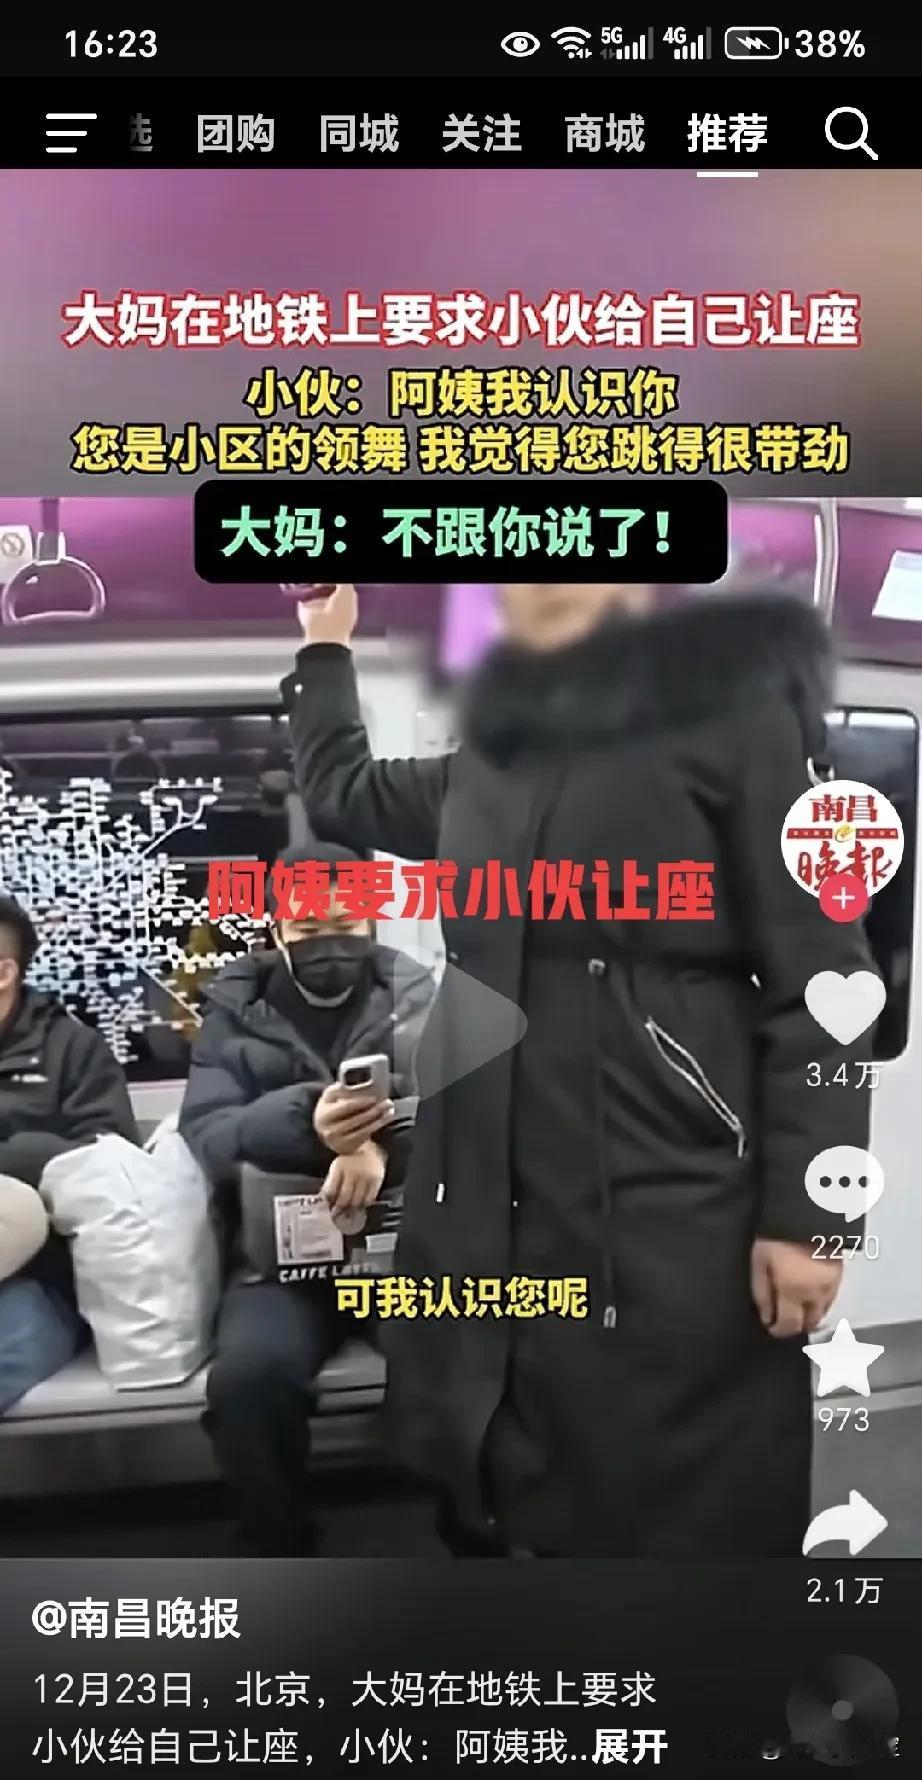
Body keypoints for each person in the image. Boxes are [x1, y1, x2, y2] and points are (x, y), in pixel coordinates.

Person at [282, 581, 877, 1559]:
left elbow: (827, 980)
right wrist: (324, 641)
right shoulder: (490, 760)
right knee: (499, 1450)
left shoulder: (736, 715)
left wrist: (810, 1215)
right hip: (493, 1182)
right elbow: (343, 789)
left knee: (678, 1490)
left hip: (668, 1190)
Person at [179, 842, 434, 1555]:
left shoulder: (417, 999)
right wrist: (312, 1126)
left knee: (464, 1350)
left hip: (402, 1250)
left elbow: (466, 1114)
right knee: (248, 1383)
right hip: (278, 1261)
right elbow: (210, 1132)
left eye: (345, 925)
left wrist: (378, 1145)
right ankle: (279, 1546)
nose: (330, 943)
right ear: (276, 930)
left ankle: (478, 1537)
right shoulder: (236, 1012)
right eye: (308, 929)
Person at [0, 895, 139, 1413]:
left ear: (4, 973)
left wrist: (15, 1158)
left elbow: (110, 1162)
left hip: (39, 1280)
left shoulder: (72, 1051)